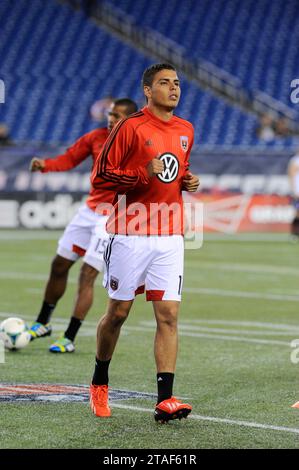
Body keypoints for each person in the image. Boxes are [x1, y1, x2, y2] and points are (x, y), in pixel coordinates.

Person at [89, 63, 200, 422]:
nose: (173, 88)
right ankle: (99, 381)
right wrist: (142, 173)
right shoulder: (129, 126)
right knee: (118, 314)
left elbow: (173, 171)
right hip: (129, 234)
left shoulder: (186, 129)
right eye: (164, 83)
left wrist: (184, 180)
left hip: (170, 236)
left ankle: (165, 399)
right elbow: (102, 174)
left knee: (168, 316)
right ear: (148, 91)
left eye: (177, 83)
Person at [28, 98, 138, 353]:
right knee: (59, 265)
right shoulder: (95, 137)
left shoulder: (136, 144)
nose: (111, 118)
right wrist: (45, 165)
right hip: (88, 211)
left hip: (111, 217)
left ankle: (69, 337)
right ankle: (43, 322)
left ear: (129, 120)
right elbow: (69, 159)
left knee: (87, 274)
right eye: (111, 114)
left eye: (118, 115)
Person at [287, 150, 299, 238]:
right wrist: (294, 189)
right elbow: (291, 174)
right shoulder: (295, 160)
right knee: (297, 212)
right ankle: (294, 233)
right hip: (297, 190)